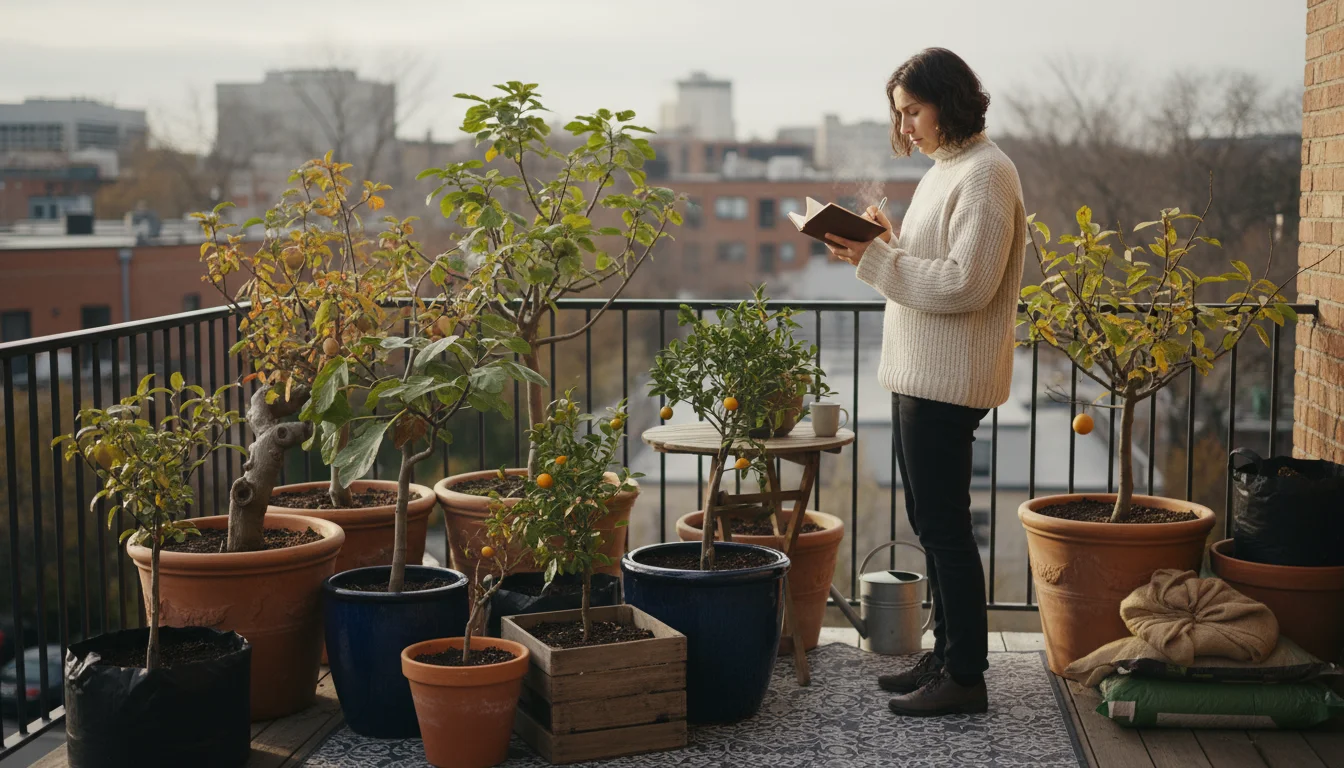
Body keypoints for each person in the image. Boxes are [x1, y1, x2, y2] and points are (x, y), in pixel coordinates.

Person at [824, 48, 1026, 717]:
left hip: (948, 378)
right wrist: (882, 243)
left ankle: (965, 676)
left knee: (944, 528)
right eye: (898, 113)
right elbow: (928, 267)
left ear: (949, 100)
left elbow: (968, 282)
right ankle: (944, 657)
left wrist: (880, 256)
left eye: (913, 110)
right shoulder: (949, 170)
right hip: (919, 370)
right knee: (930, 522)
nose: (905, 124)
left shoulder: (988, 174)